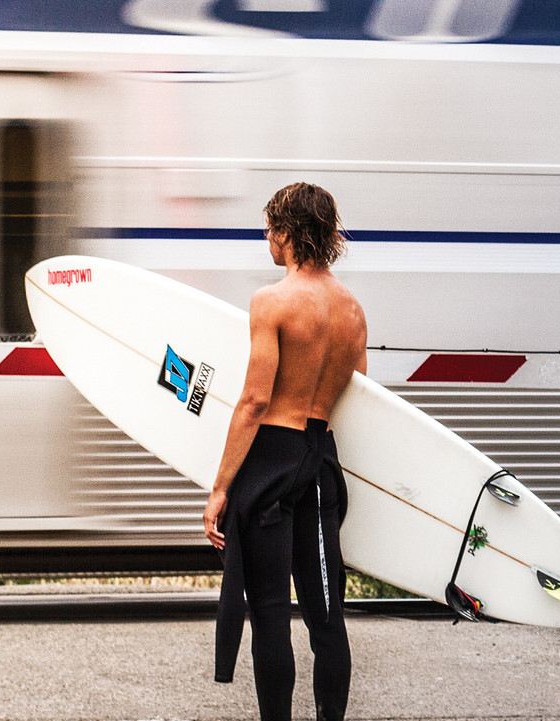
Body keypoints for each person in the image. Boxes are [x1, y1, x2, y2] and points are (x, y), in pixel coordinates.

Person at [203, 182, 366, 721]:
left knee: (271, 613)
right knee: (326, 617)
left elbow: (253, 401)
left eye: (271, 228)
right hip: (320, 460)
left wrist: (222, 486)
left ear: (290, 233)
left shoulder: (271, 301)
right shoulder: (352, 311)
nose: (267, 239)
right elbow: (357, 396)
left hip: (272, 459)